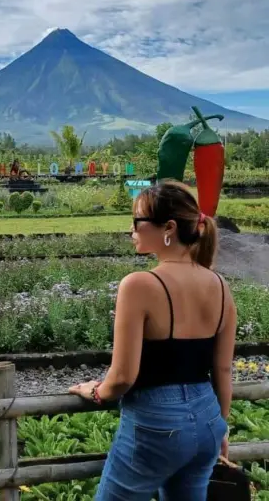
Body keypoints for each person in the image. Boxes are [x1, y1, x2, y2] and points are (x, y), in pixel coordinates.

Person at [70, 181, 236, 500]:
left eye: (137, 222)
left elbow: (121, 378)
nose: (131, 230)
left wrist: (94, 390)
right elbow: (224, 371)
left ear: (168, 228)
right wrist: (221, 428)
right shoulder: (221, 286)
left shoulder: (139, 285)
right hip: (207, 422)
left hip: (157, 425)